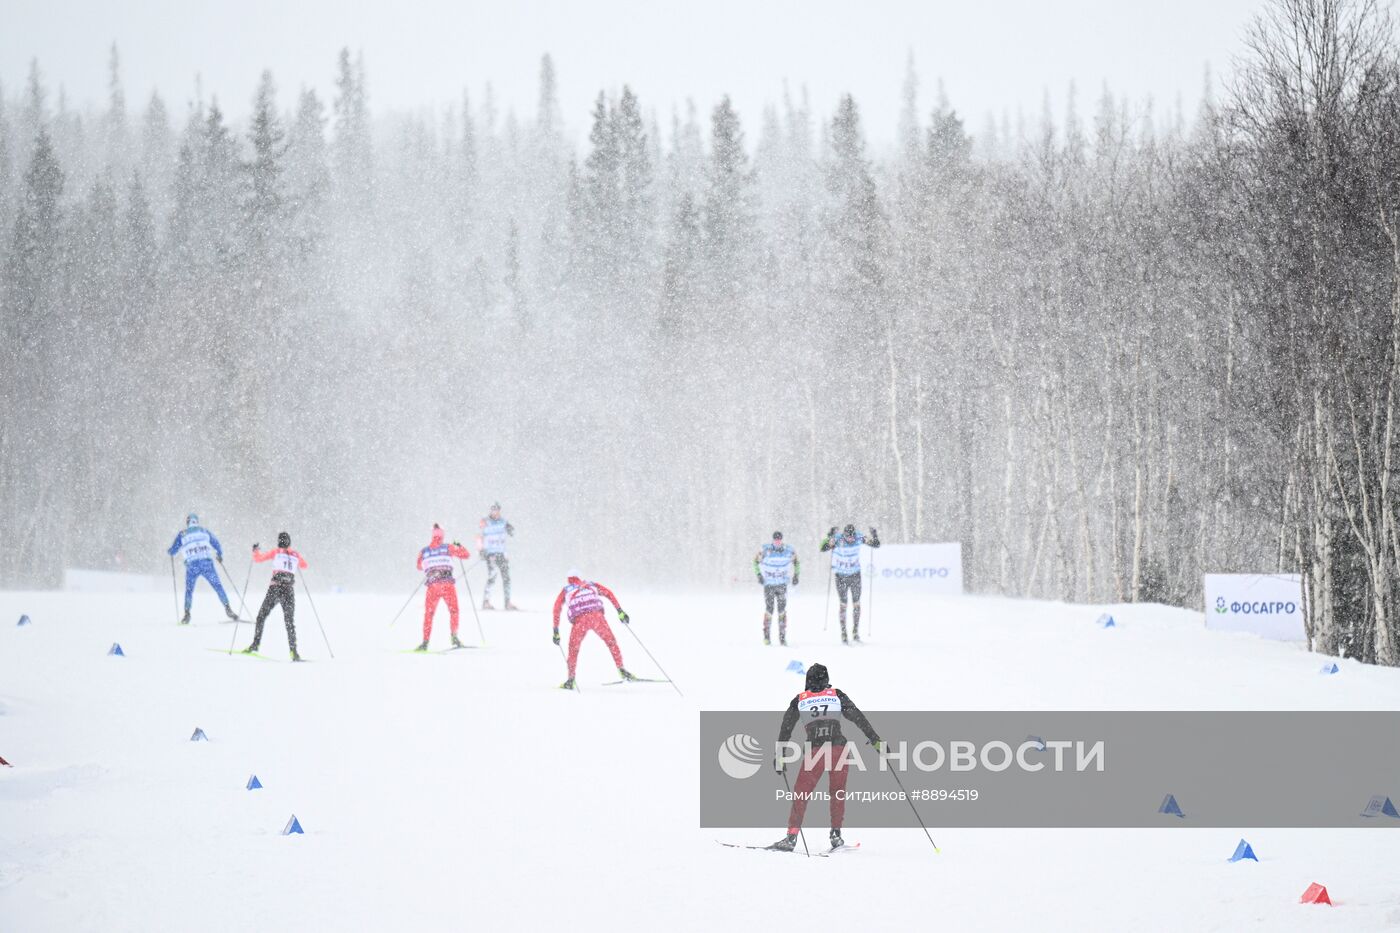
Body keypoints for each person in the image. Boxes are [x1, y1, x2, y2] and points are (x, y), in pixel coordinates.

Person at [769, 662, 881, 852]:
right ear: (827, 680)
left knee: (801, 794)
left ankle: (791, 837)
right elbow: (857, 717)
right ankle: (836, 836)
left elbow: (786, 728)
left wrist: (780, 755)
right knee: (837, 793)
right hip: (839, 750)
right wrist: (876, 740)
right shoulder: (836, 695)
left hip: (816, 752)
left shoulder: (800, 699)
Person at [551, 572, 637, 690]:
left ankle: (571, 680)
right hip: (597, 617)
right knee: (611, 642)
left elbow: (556, 609)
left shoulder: (566, 590)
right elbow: (609, 594)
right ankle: (622, 670)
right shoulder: (590, 584)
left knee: (573, 649)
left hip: (580, 621)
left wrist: (556, 630)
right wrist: (620, 611)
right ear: (580, 577)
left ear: (569, 580)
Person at [244, 532, 307, 661]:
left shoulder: (276, 552)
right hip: (288, 591)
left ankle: (255, 645)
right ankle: (294, 651)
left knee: (261, 617)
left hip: (275, 588)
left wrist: (255, 550)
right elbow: (304, 566)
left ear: (279, 542)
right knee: (289, 622)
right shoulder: (295, 554)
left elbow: (258, 559)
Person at [167, 512, 237, 624]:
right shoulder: (204, 531)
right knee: (217, 586)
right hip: (207, 564)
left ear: (187, 522)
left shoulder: (183, 534)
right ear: (196, 521)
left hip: (192, 566)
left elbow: (174, 550)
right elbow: (216, 544)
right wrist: (219, 554)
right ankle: (228, 608)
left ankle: (187, 614)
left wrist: (170, 551)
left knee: (189, 590)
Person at [819, 524, 881, 644]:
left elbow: (876, 545)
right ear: (844, 535)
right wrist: (829, 536)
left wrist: (874, 535)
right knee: (843, 604)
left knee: (856, 604)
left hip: (855, 576)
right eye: (848, 537)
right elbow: (823, 548)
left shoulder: (859, 537)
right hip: (841, 577)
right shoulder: (837, 539)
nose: (851, 539)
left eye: (852, 537)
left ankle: (855, 632)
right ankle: (843, 633)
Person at [416, 523, 472, 651]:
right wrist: (457, 543)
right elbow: (466, 555)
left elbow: (419, 566)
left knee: (429, 614)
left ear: (432, 535)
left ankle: (425, 642)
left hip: (432, 586)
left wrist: (431, 563)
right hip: (447, 585)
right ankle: (454, 637)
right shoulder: (449, 547)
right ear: (443, 535)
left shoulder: (424, 551)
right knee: (454, 611)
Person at [753, 531, 800, 646]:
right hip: (769, 585)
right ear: (773, 540)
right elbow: (755, 562)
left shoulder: (788, 550)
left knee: (782, 611)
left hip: (782, 585)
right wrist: (759, 575)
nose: (777, 542)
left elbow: (797, 562)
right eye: (776, 540)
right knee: (769, 610)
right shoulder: (765, 550)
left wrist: (796, 575)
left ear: (782, 540)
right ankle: (766, 637)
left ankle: (782, 638)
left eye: (779, 540)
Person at [478, 502, 518, 610]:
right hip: (491, 554)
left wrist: (510, 529)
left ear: (499, 511)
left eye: (496, 510)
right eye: (493, 510)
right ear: (490, 511)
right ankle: (486, 602)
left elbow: (512, 531)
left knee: (506, 578)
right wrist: (481, 551)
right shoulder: (485, 522)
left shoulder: (503, 522)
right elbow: (479, 536)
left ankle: (507, 603)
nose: (495, 512)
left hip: (501, 554)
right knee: (492, 577)